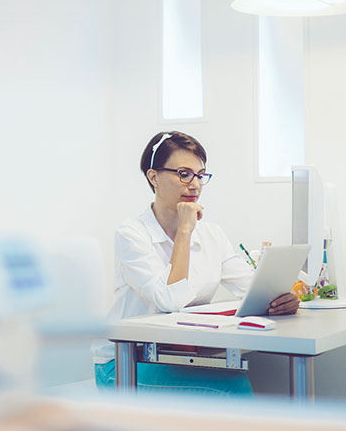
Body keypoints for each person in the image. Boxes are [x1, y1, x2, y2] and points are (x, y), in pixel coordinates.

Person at [92, 131, 299, 396]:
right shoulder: (131, 234)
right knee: (231, 389)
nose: (195, 185)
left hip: (172, 357)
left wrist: (281, 299)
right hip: (123, 365)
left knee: (255, 376)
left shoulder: (211, 233)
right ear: (154, 177)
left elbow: (251, 288)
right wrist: (185, 231)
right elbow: (169, 300)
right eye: (183, 173)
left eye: (200, 175)